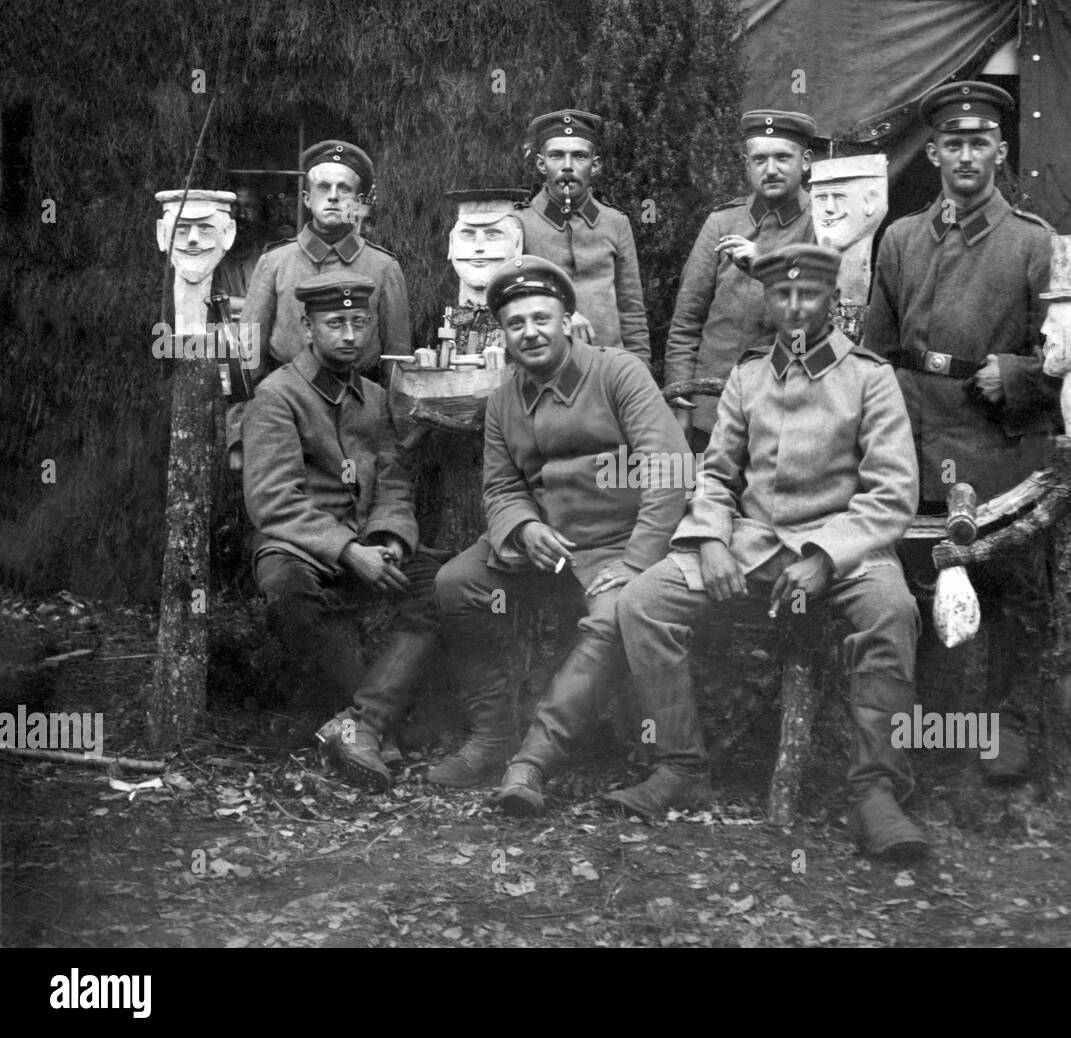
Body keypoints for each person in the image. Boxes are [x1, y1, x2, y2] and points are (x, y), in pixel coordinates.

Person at [615, 244, 927, 862]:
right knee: (642, 602)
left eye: (806, 294)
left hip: (847, 551)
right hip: (753, 546)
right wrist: (709, 539)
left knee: (893, 611)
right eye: (780, 294)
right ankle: (682, 767)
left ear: (830, 300)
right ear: (767, 298)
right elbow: (716, 475)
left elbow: (893, 493)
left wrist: (826, 557)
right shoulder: (748, 374)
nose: (792, 307)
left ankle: (875, 791)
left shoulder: (870, 376)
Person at [430, 256, 688, 809]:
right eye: (516, 323)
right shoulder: (503, 400)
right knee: (456, 584)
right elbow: (500, 488)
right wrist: (523, 528)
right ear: (504, 334)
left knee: (609, 619)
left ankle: (531, 763)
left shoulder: (617, 372)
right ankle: (493, 735)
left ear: (568, 319)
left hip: (617, 546)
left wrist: (640, 558)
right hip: (542, 552)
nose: (531, 333)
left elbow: (671, 468)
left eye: (542, 318)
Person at [862, 81, 1058, 783]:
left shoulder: (1034, 244)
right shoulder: (902, 239)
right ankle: (929, 723)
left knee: (1009, 591)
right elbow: (873, 354)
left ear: (1000, 152)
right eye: (953, 143)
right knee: (917, 589)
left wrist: (1021, 374)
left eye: (979, 142)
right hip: (915, 440)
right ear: (936, 151)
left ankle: (1006, 725)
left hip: (1000, 447)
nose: (965, 155)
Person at [242, 272, 444, 791]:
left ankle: (366, 720)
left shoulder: (374, 398)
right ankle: (362, 726)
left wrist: (392, 539)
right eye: (335, 323)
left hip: (369, 541)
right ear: (308, 329)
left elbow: (394, 478)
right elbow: (273, 501)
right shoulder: (278, 396)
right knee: (288, 591)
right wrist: (348, 551)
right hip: (299, 544)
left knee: (445, 583)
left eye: (359, 322)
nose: (350, 335)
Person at [228, 139, 412, 471]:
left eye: (344, 189)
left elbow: (396, 365)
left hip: (359, 417)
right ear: (306, 198)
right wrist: (240, 435)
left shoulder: (384, 268)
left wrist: (395, 437)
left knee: (357, 501)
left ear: (357, 202)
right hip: (287, 414)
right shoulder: (275, 262)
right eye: (323, 187)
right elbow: (247, 357)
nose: (332, 196)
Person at [663, 109, 817, 452]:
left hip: (788, 412)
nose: (771, 169)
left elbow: (823, 326)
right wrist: (680, 397)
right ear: (746, 164)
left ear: (805, 161)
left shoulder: (823, 224)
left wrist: (766, 268)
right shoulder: (722, 223)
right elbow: (687, 320)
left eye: (783, 157)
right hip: (712, 411)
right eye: (760, 159)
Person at [514, 109, 650, 366]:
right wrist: (561, 313)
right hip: (543, 369)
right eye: (556, 155)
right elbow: (510, 303)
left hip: (609, 369)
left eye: (579, 156)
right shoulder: (519, 223)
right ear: (541, 164)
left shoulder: (615, 223)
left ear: (595, 165)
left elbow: (632, 311)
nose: (567, 165)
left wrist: (640, 372)